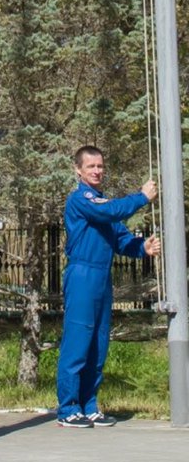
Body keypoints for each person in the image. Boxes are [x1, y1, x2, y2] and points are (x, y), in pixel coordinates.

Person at [56, 145, 160, 429]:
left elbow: (121, 240)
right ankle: (68, 408)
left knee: (98, 343)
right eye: (91, 166)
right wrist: (141, 197)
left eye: (100, 166)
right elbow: (108, 212)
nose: (97, 171)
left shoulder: (104, 205)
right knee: (78, 340)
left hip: (102, 277)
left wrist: (142, 247)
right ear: (78, 170)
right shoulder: (81, 199)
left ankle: (89, 405)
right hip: (82, 274)